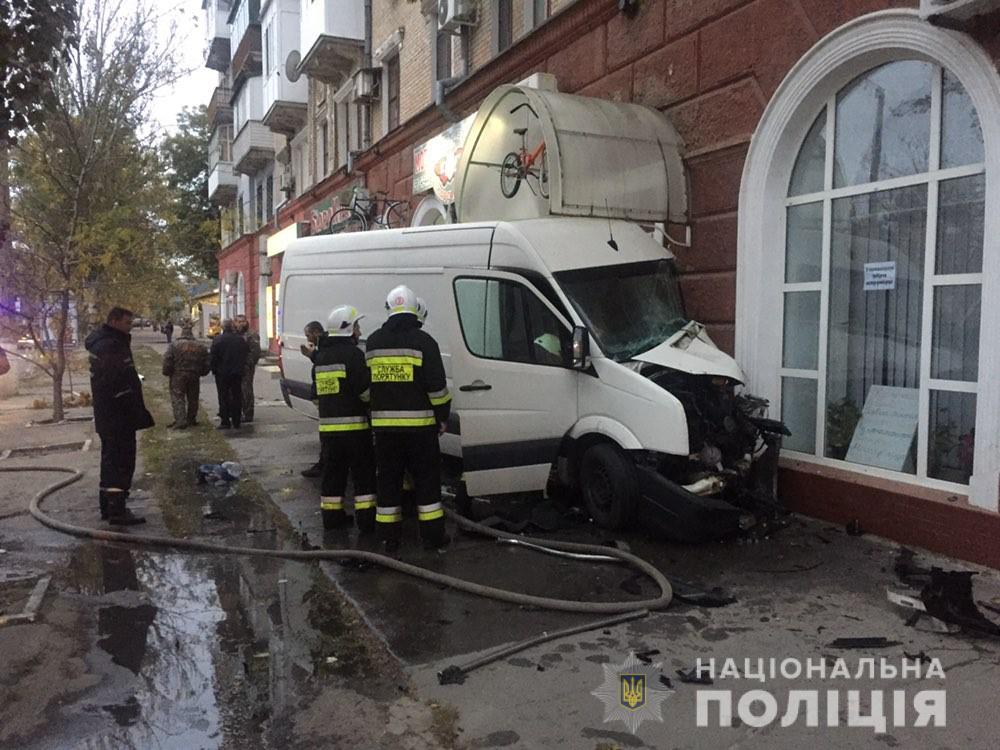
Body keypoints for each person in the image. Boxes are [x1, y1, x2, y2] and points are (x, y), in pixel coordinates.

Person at [366, 285, 451, 552]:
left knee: (388, 481)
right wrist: (443, 417)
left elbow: (369, 388)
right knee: (427, 482)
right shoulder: (425, 342)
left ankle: (388, 537)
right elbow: (437, 389)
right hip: (420, 430)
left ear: (389, 309)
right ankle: (432, 537)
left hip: (384, 431)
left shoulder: (373, 342)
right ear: (414, 310)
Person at [85, 307, 154, 525]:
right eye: (127, 323)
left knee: (111, 461)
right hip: (118, 416)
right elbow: (117, 382)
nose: (129, 327)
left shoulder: (108, 342)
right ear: (114, 321)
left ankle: (108, 506)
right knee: (121, 462)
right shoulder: (110, 346)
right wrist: (132, 407)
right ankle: (117, 510)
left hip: (110, 415)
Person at [314, 305, 376, 531]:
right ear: (348, 329)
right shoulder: (353, 355)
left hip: (329, 431)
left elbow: (316, 396)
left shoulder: (321, 358)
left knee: (333, 475)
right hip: (355, 430)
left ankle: (332, 519)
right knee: (363, 476)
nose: (359, 331)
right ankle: (367, 522)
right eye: (357, 326)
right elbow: (365, 391)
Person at [161, 321, 210, 429]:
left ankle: (180, 420)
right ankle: (191, 419)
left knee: (178, 397)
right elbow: (206, 362)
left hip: (178, 375)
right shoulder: (200, 346)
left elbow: (168, 360)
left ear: (182, 333)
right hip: (194, 375)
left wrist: (167, 372)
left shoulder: (174, 345)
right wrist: (202, 372)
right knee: (193, 397)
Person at [210, 319, 249, 429]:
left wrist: (213, 369)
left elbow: (213, 357)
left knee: (223, 397)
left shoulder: (218, 340)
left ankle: (225, 421)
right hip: (237, 373)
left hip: (222, 374)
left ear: (222, 328)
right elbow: (245, 354)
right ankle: (237, 420)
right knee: (237, 396)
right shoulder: (240, 340)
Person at [300, 320, 326, 477]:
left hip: (325, 397)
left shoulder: (325, 347)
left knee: (326, 434)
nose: (308, 340)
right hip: (321, 395)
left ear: (316, 332)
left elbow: (324, 362)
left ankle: (324, 464)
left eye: (308, 335)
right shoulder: (322, 346)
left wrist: (312, 355)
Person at [236, 314, 262, 423]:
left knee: (246, 389)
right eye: (238, 321)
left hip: (247, 367)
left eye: (243, 321)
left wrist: (248, 364)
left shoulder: (251, 335)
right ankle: (240, 411)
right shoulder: (235, 334)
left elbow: (255, 352)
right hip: (236, 366)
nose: (241, 323)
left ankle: (248, 413)